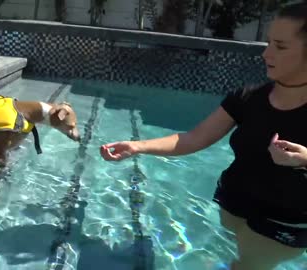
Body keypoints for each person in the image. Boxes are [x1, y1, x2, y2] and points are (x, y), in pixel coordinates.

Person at [99, 3, 307, 270]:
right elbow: (194, 138)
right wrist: (137, 146)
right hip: (234, 202)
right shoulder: (247, 97)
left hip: (284, 221)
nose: (266, 53)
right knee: (235, 256)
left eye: (280, 46)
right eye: (268, 43)